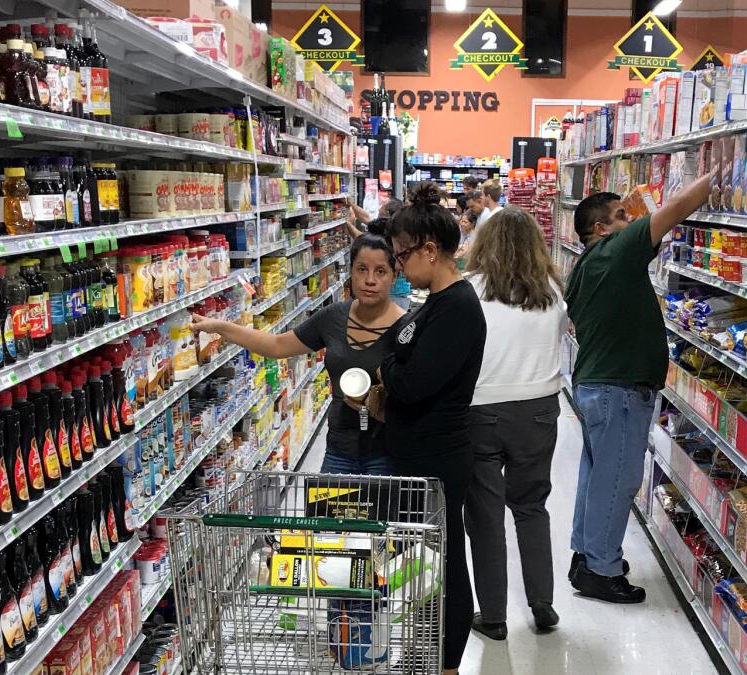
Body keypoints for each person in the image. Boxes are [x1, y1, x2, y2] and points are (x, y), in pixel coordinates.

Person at [566, 174, 711, 604]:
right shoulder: (615, 250)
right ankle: (601, 570)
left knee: (596, 476)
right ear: (601, 229)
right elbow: (679, 206)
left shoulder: (586, 266)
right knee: (618, 480)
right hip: (619, 390)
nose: (630, 222)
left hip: (598, 386)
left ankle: (587, 553)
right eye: (621, 216)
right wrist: (722, 169)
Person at [190, 234, 404, 475]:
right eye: (362, 269)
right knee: (327, 513)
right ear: (351, 272)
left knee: (378, 513)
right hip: (339, 451)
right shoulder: (333, 318)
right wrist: (221, 327)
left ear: (394, 276)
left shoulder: (406, 329)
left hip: (385, 454)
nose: (370, 280)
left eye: (381, 272)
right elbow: (277, 345)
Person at [382, 182, 486, 675]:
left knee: (445, 567)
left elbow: (411, 384)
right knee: (422, 567)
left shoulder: (459, 307)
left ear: (430, 249)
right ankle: (426, 653)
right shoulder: (434, 303)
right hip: (416, 456)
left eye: (402, 256)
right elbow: (397, 348)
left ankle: (446, 664)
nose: (399, 267)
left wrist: (387, 374)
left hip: (438, 460)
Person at [463, 207, 567, 640]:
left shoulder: (469, 291)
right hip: (539, 410)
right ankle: (542, 602)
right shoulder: (552, 293)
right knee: (530, 506)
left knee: (485, 518)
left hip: (481, 411)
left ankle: (494, 616)